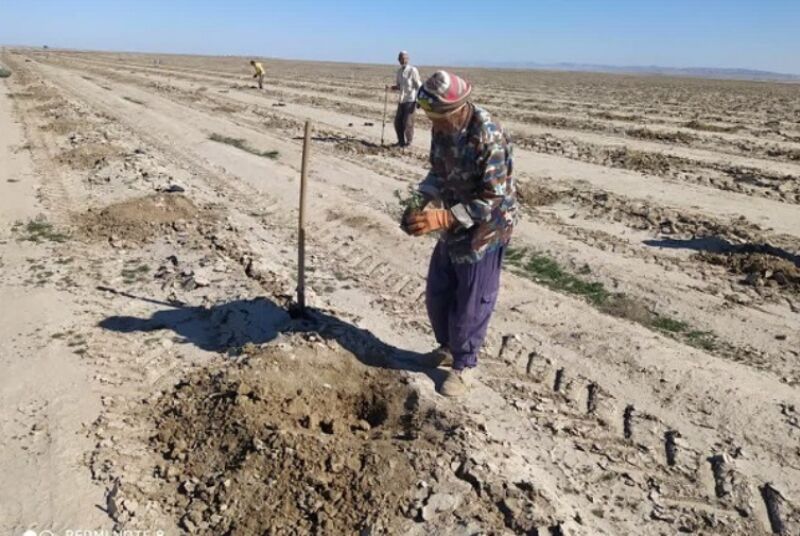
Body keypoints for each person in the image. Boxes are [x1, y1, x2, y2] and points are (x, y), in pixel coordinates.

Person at [403, 71, 516, 397]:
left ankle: (465, 366)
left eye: (439, 118)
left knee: (472, 299)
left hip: (485, 228)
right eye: (430, 118)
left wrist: (444, 216)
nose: (434, 125)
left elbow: (493, 199)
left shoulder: (488, 136)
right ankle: (448, 347)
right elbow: (439, 171)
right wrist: (422, 199)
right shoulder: (444, 130)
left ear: (458, 109)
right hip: (452, 221)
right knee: (439, 291)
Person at [388, 51, 421, 147]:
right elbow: (399, 86)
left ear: (408, 59)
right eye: (402, 58)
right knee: (398, 122)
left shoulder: (412, 70)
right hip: (402, 100)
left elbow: (419, 86)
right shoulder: (399, 72)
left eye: (405, 58)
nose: (404, 60)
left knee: (407, 123)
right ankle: (401, 141)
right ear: (398, 60)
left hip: (411, 100)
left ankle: (409, 143)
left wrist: (419, 100)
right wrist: (391, 88)